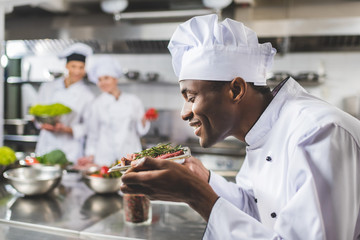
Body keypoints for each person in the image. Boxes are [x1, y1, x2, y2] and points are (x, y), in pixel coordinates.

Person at [120, 14, 360, 239]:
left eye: (191, 97)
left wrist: (197, 195)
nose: (184, 113)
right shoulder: (262, 133)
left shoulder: (319, 133)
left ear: (236, 89)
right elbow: (256, 208)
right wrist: (205, 180)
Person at [79, 56, 151, 167]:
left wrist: (145, 119)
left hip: (130, 154)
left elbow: (141, 131)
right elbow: (93, 134)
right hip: (104, 157)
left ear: (115, 79)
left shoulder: (133, 101)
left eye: (106, 78)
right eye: (99, 79)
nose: (102, 83)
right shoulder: (96, 104)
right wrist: (90, 155)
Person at [35, 43, 95, 163]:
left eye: (81, 67)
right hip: (46, 144)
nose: (77, 71)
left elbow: (89, 126)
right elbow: (37, 114)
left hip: (71, 149)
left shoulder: (88, 95)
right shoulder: (48, 87)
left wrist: (67, 129)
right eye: (74, 66)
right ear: (67, 66)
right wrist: (42, 124)